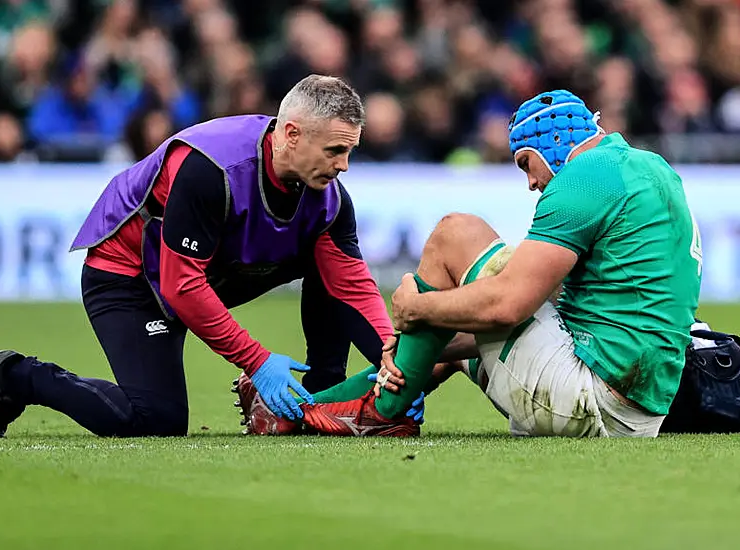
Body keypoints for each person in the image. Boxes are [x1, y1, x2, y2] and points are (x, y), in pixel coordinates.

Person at [239, 89, 702, 438]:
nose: (530, 182)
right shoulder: (648, 167)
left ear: (553, 140)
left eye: (525, 163)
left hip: (588, 399)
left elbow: (507, 306)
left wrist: (415, 311)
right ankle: (304, 411)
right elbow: (516, 308)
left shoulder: (583, 178)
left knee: (454, 233)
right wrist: (415, 342)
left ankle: (377, 414)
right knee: (443, 337)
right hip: (636, 413)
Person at [0, 74, 398, 439]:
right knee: (157, 419)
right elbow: (182, 286)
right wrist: (258, 361)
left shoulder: (329, 198)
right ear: (291, 135)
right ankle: (15, 375)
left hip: (213, 271)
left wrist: (391, 359)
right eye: (334, 152)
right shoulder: (210, 169)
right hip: (132, 278)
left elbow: (351, 284)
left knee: (328, 261)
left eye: (349, 151)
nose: (344, 166)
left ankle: (322, 396)